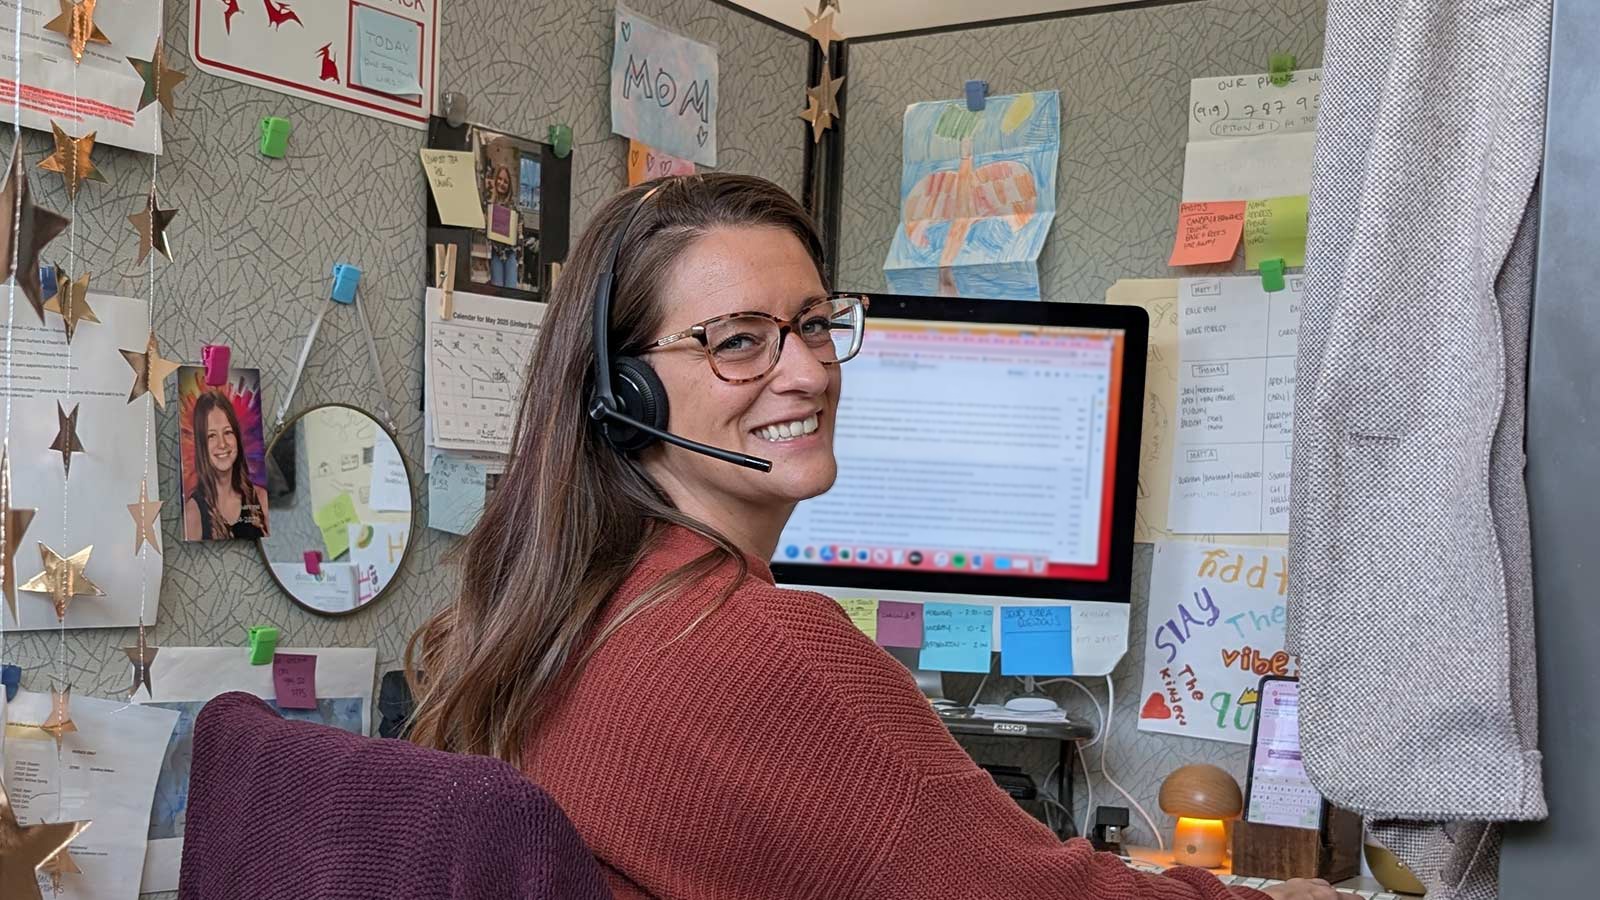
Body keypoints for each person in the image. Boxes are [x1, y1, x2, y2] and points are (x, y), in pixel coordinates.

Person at [406, 174, 1349, 900]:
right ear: (626, 393)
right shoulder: (756, 649)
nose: (809, 372)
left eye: (815, 325)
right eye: (739, 340)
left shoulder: (571, 613)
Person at [183, 391, 268, 541]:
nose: (222, 444)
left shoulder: (261, 499)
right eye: (211, 435)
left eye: (228, 432)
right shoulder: (193, 513)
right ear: (202, 446)